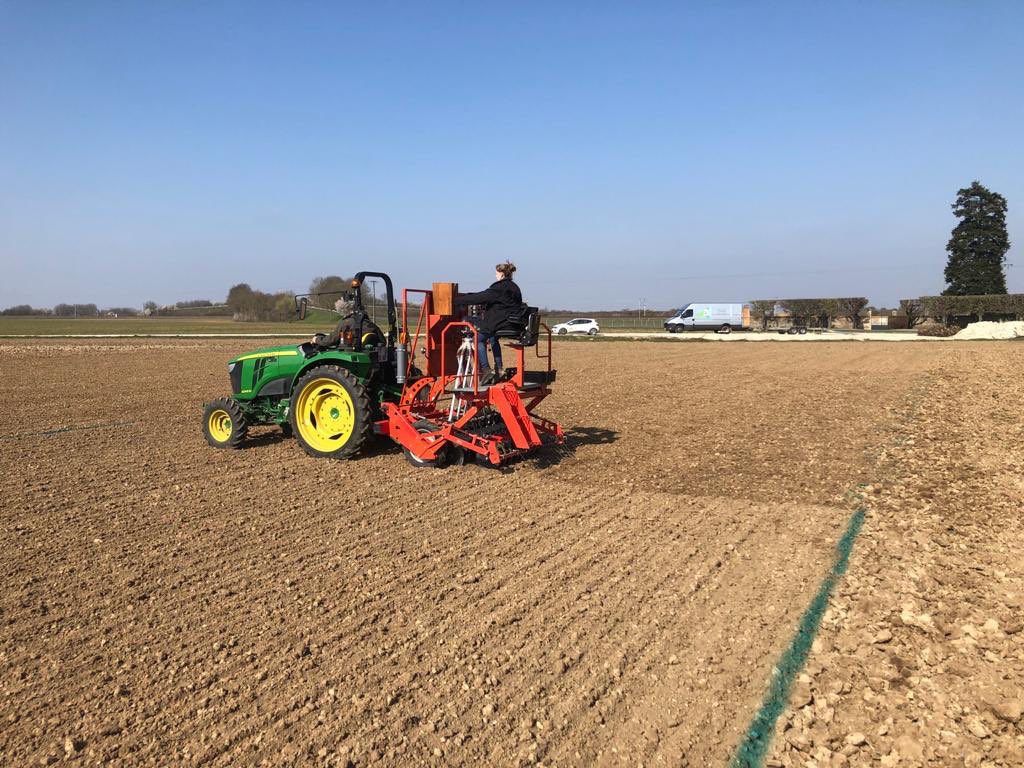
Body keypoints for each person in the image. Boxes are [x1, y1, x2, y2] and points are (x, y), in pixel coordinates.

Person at [454, 261, 522, 384]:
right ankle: (499, 368)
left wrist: (457, 300)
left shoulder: (499, 287)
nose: (495, 275)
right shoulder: (514, 287)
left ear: (501, 274)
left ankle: (486, 369)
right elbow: (492, 298)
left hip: (499, 322)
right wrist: (471, 296)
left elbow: (481, 297)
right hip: (511, 322)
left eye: (496, 273)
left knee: (477, 339)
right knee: (493, 338)